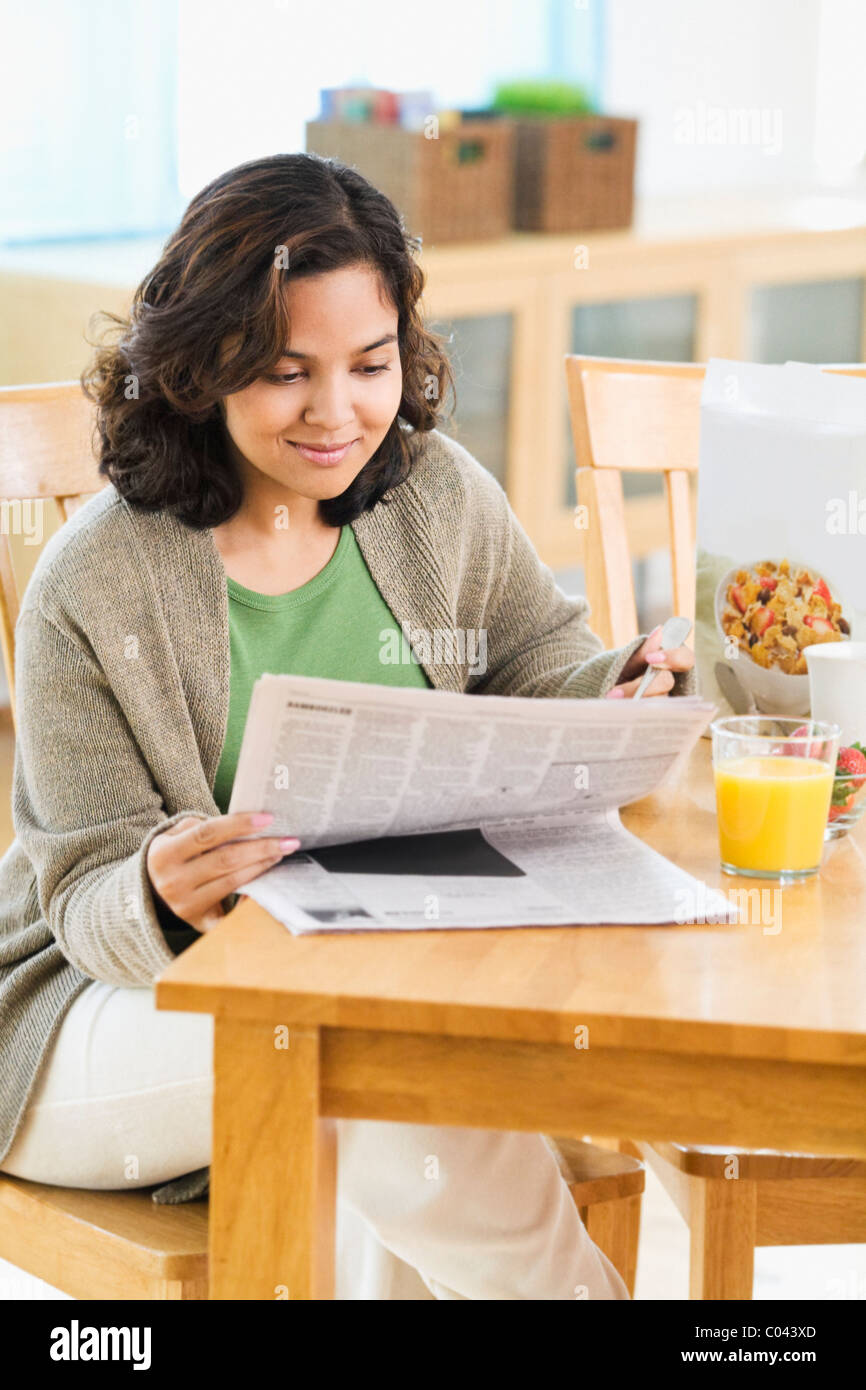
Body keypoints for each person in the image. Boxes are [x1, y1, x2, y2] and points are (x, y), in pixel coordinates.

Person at [0, 152, 694, 1300]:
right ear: (199, 368)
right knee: (372, 1050)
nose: (338, 414)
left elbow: (536, 666)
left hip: (352, 990)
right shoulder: (95, 580)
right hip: (94, 1018)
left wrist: (619, 685)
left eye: (370, 365)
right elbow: (82, 899)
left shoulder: (434, 494)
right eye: (283, 373)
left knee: (383, 1060)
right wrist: (161, 889)